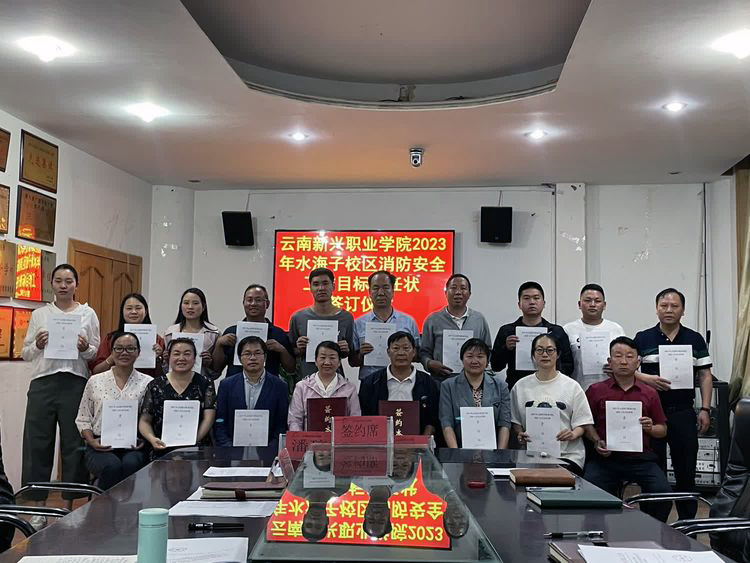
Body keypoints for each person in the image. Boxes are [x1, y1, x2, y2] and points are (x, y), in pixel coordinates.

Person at [21, 263, 101, 516]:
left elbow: (94, 352)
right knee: (37, 444)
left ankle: (69, 507)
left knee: (74, 444)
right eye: (58, 281)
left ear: (76, 284)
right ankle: (38, 508)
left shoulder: (88, 313)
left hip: (75, 383)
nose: (63, 286)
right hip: (43, 382)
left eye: (69, 281)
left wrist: (85, 347)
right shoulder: (40, 314)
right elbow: (25, 353)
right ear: (52, 284)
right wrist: (37, 344)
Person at [634, 288, 713, 520]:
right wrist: (647, 378)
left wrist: (705, 408)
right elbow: (628, 370)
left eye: (674, 306)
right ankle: (652, 523)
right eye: (664, 305)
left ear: (683, 310)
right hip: (651, 415)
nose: (669, 310)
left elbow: (705, 375)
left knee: (686, 471)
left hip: (683, 413)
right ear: (656, 309)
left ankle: (687, 526)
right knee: (652, 472)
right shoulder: (643, 338)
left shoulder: (694, 339)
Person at [584, 336, 672, 522]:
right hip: (605, 459)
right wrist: (597, 441)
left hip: (641, 460)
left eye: (629, 356)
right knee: (590, 492)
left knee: (662, 493)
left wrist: (650, 428)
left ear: (638, 362)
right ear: (610, 361)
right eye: (618, 356)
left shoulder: (649, 393)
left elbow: (662, 429)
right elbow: (586, 424)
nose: (624, 361)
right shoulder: (595, 391)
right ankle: (597, 534)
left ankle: (652, 531)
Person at [75, 332, 151, 490]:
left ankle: (131, 505)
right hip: (99, 444)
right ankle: (104, 505)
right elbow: (83, 418)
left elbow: (150, 418)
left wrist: (145, 439)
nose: (124, 353)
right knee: (112, 466)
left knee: (131, 464)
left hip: (135, 444)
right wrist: (91, 441)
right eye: (119, 348)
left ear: (138, 352)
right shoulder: (95, 381)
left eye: (130, 348)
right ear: (112, 351)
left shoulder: (148, 383)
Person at [510, 333, 593, 474]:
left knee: (553, 479)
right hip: (531, 456)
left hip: (566, 456)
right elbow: (516, 422)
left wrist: (573, 434)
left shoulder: (572, 386)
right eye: (539, 350)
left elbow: (582, 423)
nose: (545, 354)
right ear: (533, 355)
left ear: (558, 354)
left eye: (550, 350)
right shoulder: (520, 386)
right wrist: (520, 434)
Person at [139, 338, 216, 459]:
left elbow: (209, 418)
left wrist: (194, 440)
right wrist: (152, 439)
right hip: (162, 447)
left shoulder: (205, 383)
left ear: (194, 358)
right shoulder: (155, 385)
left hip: (196, 447)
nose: (181, 358)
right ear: (168, 357)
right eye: (176, 354)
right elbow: (145, 420)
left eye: (187, 354)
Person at [491, 281, 574, 390]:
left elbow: (568, 366)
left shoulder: (556, 332)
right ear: (519, 304)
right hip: (517, 388)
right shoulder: (507, 331)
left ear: (543, 303)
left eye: (536, 298)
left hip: (550, 388)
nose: (532, 302)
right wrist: (506, 348)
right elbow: (495, 366)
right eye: (526, 298)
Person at [358, 331, 440, 436]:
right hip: (380, 440)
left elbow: (433, 419)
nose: (401, 353)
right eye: (396, 348)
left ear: (414, 352)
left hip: (418, 441)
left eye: (406, 348)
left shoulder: (428, 382)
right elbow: (365, 417)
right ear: (388, 352)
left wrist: (423, 440)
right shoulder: (371, 382)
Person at [214, 336, 289, 449]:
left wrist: (269, 450)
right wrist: (229, 448)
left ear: (265, 357)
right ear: (240, 358)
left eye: (257, 353)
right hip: (231, 450)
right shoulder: (226, 385)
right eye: (247, 353)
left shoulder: (280, 386)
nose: (252, 358)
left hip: (268, 451)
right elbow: (220, 421)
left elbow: (281, 425)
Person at [212, 284, 295, 379]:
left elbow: (291, 369)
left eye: (258, 300)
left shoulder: (278, 334)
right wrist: (219, 344)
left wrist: (282, 350)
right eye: (249, 300)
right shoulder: (231, 332)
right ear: (243, 303)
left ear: (267, 304)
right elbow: (216, 368)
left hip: (268, 386)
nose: (253, 304)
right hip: (234, 386)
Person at [439, 338, 511, 449]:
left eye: (480, 356)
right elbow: (446, 423)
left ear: (487, 361)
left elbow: (504, 424)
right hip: (459, 448)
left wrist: (500, 454)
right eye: (469, 356)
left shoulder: (501, 386)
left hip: (493, 450)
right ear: (462, 359)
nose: (474, 361)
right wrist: (456, 453)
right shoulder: (448, 386)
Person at [348, 271, 420, 380]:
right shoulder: (358, 323)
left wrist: (404, 352)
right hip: (370, 381)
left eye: (386, 287)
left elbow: (418, 355)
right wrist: (361, 354)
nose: (381, 293)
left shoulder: (408, 322)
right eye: (376, 288)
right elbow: (352, 362)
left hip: (402, 381)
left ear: (393, 291)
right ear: (369, 292)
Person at [420, 274, 492, 381]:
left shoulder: (479, 319)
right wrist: (429, 363)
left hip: (472, 381)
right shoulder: (432, 320)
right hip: (441, 381)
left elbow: (488, 350)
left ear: (469, 294)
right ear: (446, 293)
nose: (458, 292)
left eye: (463, 288)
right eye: (453, 288)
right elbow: (424, 352)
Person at [288, 268, 355, 381]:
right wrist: (299, 348)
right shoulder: (298, 317)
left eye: (325, 283)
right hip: (306, 380)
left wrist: (345, 349)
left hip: (335, 381)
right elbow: (292, 353)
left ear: (333, 286)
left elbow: (348, 354)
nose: (321, 288)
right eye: (316, 284)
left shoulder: (346, 317)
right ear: (310, 288)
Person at [288, 341, 361, 431]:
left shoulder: (349, 388)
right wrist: (302, 438)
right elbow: (294, 421)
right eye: (322, 357)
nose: (327, 362)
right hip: (310, 439)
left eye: (332, 358)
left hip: (340, 439)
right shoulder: (302, 387)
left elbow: (355, 420)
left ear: (339, 362)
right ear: (315, 361)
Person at [563, 284, 625, 389]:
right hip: (578, 389)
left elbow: (625, 359)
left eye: (597, 301)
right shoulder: (568, 329)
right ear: (579, 304)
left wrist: (617, 367)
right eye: (587, 300)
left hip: (611, 389)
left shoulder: (616, 329)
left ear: (604, 305)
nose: (592, 304)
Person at [90, 293, 165, 377]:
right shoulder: (111, 338)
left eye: (138, 308)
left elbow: (167, 375)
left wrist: (159, 358)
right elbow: (96, 371)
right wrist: (112, 358)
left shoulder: (157, 340)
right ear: (122, 312)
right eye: (129, 308)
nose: (134, 312)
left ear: (146, 311)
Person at [164, 288, 220, 380]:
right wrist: (166, 359)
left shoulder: (213, 333)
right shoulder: (170, 333)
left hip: (203, 382)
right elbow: (165, 369)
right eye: (186, 303)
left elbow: (216, 370)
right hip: (175, 382)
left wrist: (209, 363)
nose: (190, 307)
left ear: (203, 307)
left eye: (195, 303)